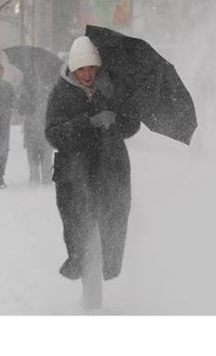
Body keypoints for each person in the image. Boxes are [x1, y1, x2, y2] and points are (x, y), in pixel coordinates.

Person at [45, 36, 140, 308]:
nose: (87, 74)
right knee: (84, 237)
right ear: (73, 69)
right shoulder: (60, 94)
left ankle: (94, 294)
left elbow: (131, 126)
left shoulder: (111, 88)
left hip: (110, 173)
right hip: (75, 179)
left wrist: (116, 116)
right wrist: (87, 123)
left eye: (92, 68)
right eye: (82, 69)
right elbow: (53, 134)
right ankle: (92, 299)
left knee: (108, 234)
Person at [18, 74, 56, 184]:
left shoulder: (50, 91)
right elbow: (21, 110)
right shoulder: (26, 92)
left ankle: (45, 181)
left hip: (45, 129)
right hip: (32, 130)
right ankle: (35, 185)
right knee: (33, 161)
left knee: (46, 161)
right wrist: (26, 101)